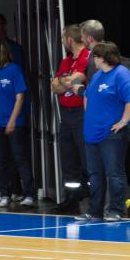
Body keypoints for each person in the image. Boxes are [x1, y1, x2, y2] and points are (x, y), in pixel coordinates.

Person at [75, 42, 130, 222]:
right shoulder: (97, 76)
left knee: (114, 172)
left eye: (94, 57)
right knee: (95, 174)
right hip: (93, 133)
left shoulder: (122, 74)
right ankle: (94, 211)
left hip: (111, 133)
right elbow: (87, 95)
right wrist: (91, 117)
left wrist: (123, 121)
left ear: (101, 58)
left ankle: (116, 210)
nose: (92, 61)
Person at [0, 39, 35, 207]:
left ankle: (29, 193)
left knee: (19, 158)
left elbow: (20, 97)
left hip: (15, 122)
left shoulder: (14, 69)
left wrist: (12, 121)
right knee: (1, 159)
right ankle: (5, 194)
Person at [51, 24, 90, 213]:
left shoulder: (87, 56)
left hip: (81, 113)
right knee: (68, 160)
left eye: (62, 38)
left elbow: (76, 80)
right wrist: (66, 82)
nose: (62, 42)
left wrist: (65, 81)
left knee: (86, 158)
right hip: (65, 114)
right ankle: (71, 200)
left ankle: (93, 200)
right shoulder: (66, 60)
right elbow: (55, 87)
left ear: (69, 40)